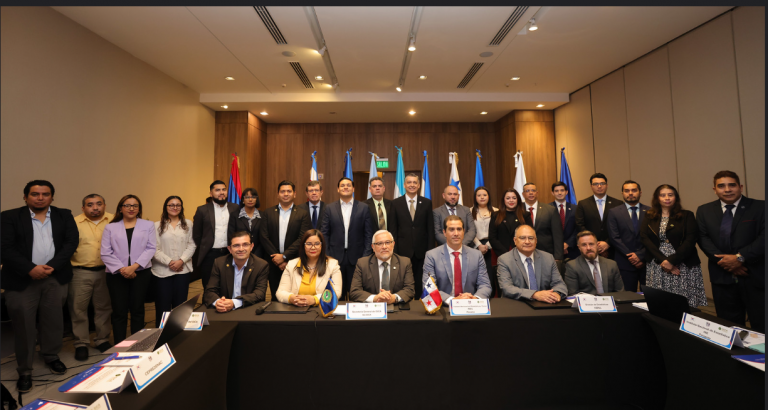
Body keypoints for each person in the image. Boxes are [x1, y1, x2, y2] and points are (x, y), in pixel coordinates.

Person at [1, 180, 78, 392]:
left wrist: (52, 266)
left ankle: (51, 356)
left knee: (53, 322)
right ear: (25, 197)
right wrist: (30, 268)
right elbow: (5, 248)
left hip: (55, 277)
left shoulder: (64, 215)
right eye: (35, 194)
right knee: (24, 326)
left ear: (52, 197)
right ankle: (25, 369)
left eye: (45, 194)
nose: (40, 197)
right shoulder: (9, 217)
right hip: (21, 279)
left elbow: (71, 242)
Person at [697, 171, 764, 331]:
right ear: (715, 189)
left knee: (761, 323)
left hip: (755, 275)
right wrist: (725, 262)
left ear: (740, 187)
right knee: (728, 326)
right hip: (722, 276)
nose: (727, 189)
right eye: (721, 186)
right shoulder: (704, 210)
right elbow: (703, 238)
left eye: (732, 185)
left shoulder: (760, 207)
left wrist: (740, 258)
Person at [101, 194, 157, 344]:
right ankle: (120, 345)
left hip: (141, 273)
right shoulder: (110, 227)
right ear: (121, 208)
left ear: (139, 209)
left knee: (138, 309)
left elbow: (151, 248)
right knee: (119, 311)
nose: (131, 208)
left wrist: (134, 267)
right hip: (116, 275)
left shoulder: (148, 225)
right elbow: (105, 252)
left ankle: (137, 344)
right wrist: (123, 269)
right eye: (127, 205)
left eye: (135, 205)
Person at [640, 184, 706, 308]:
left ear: (676, 197)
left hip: (683, 262)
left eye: (670, 195)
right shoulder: (649, 216)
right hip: (657, 262)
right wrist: (663, 261)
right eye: (663, 195)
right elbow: (644, 238)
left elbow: (690, 240)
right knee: (660, 303)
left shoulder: (687, 215)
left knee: (684, 303)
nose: (667, 198)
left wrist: (671, 261)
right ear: (657, 198)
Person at [69, 194, 114, 361]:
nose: (95, 207)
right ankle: (81, 343)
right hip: (80, 272)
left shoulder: (114, 220)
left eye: (99, 204)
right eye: (90, 205)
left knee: (104, 308)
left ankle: (102, 339)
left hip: (107, 271)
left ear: (104, 205)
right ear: (83, 208)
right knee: (78, 309)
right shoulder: (74, 222)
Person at [320, 177, 373, 300]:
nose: (345, 187)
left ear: (353, 189)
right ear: (338, 189)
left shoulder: (363, 207)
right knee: (337, 294)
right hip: (334, 258)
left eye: (348, 185)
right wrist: (327, 255)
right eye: (342, 185)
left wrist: (365, 257)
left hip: (358, 259)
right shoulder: (329, 208)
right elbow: (324, 233)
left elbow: (368, 235)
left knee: (357, 294)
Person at [259, 180, 312, 300]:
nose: (286, 194)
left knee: (295, 296)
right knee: (275, 296)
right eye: (283, 191)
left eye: (289, 191)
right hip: (273, 263)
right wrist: (277, 259)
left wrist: (284, 257)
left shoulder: (303, 214)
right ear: (278, 194)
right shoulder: (268, 213)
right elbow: (264, 237)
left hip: (294, 262)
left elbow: (302, 238)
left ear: (295, 194)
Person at [423, 215, 492, 305]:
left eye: (459, 229)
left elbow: (485, 285)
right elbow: (429, 288)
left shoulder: (477, 255)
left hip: (471, 306)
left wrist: (474, 299)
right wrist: (453, 301)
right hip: (445, 307)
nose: (456, 233)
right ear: (444, 232)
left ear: (463, 231)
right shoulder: (432, 256)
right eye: (451, 229)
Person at [152, 196, 196, 326]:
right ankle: (161, 334)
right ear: (165, 207)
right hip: (162, 272)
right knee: (162, 306)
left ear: (181, 207)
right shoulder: (156, 226)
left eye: (178, 205)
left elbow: (192, 245)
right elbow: (154, 248)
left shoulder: (188, 224)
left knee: (180, 306)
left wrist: (181, 261)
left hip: (183, 271)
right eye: (171, 205)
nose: (174, 207)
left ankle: (178, 334)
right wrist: (170, 262)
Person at [496, 225, 568, 303]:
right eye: (522, 238)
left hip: (544, 303)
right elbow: (507, 288)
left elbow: (559, 284)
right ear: (515, 240)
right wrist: (534, 294)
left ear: (536, 241)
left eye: (531, 238)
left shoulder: (548, 258)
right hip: (517, 304)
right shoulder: (505, 260)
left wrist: (556, 294)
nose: (527, 242)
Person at [391, 173, 434, 298]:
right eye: (409, 182)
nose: (412, 185)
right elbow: (393, 229)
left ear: (419, 185)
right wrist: (394, 251)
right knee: (403, 282)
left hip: (422, 251)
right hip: (402, 251)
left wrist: (430, 251)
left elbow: (430, 229)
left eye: (415, 182)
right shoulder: (395, 203)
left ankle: (419, 304)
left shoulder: (426, 203)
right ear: (404, 185)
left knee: (420, 282)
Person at [203, 231, 269, 311]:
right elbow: (209, 291)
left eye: (245, 244)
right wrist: (218, 302)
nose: (241, 249)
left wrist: (234, 303)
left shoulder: (261, 265)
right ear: (230, 249)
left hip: (248, 309)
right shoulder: (219, 263)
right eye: (236, 245)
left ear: (251, 247)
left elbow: (259, 294)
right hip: (223, 310)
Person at [192, 180, 239, 289]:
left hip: (230, 253)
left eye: (224, 189)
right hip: (209, 255)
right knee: (209, 286)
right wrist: (204, 247)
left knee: (229, 285)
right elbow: (197, 234)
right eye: (217, 190)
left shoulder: (235, 208)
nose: (221, 192)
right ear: (211, 193)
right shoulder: (202, 210)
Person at [276, 230, 342, 306]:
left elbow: (336, 292)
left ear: (322, 245)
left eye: (317, 244)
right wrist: (292, 298)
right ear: (303, 246)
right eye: (309, 244)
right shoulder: (291, 264)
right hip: (296, 309)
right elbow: (280, 292)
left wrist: (314, 299)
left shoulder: (333, 265)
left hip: (321, 309)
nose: (313, 247)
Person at [606, 180, 650, 292]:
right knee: (628, 297)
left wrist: (640, 255)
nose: (630, 193)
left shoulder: (650, 211)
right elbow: (614, 237)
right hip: (625, 262)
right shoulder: (614, 212)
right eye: (627, 191)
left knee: (650, 296)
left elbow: (653, 238)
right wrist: (632, 256)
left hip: (647, 261)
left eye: (634, 190)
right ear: (622, 193)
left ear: (640, 192)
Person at [350, 230, 415, 303]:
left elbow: (409, 290)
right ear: (373, 247)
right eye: (379, 243)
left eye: (387, 242)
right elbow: (354, 291)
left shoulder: (404, 263)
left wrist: (393, 298)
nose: (384, 247)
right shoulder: (362, 263)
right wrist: (375, 298)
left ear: (393, 244)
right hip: (372, 307)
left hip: (396, 306)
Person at [575, 173, 624, 258]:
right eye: (596, 184)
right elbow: (580, 225)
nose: (599, 186)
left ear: (607, 185)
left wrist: (607, 243)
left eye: (602, 183)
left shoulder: (618, 203)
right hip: (590, 248)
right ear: (591, 186)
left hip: (613, 248)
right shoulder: (583, 204)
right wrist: (594, 243)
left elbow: (621, 226)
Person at [521, 183, 564, 261]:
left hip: (546, 252)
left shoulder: (550, 210)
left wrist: (558, 257)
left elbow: (557, 235)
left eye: (533, 190)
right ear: (523, 194)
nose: (531, 193)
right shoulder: (518, 210)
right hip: (522, 252)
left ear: (537, 193)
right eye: (527, 191)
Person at [470, 187, 499, 297]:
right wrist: (478, 245)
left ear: (489, 197)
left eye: (484, 195)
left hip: (492, 246)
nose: (482, 197)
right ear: (475, 197)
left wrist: (488, 244)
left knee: (491, 274)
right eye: (479, 195)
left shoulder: (496, 211)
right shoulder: (469, 211)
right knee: (476, 273)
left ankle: (491, 298)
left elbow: (498, 230)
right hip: (475, 246)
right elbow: (469, 230)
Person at [488, 188, 530, 257]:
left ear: (518, 200)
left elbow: (529, 235)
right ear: (503, 200)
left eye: (514, 198)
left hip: (521, 253)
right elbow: (492, 238)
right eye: (508, 198)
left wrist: (519, 252)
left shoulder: (525, 215)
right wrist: (506, 254)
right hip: (500, 254)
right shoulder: (495, 215)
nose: (511, 200)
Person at [228, 187, 262, 258]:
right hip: (239, 252)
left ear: (256, 199)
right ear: (243, 200)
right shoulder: (235, 215)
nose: (250, 199)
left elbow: (264, 237)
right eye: (247, 197)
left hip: (259, 254)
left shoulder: (262, 215)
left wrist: (257, 254)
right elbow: (231, 236)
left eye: (253, 197)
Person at [550, 182, 579, 260]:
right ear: (552, 193)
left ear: (566, 192)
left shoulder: (576, 208)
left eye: (562, 190)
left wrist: (568, 243)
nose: (559, 193)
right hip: (553, 250)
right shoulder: (547, 208)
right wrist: (559, 245)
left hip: (572, 249)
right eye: (556, 191)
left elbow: (578, 228)